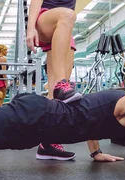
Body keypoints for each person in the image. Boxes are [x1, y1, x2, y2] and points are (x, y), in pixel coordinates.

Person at [26, 0, 83, 161]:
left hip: (64, 28)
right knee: (69, 14)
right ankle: (61, 83)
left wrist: (96, 152)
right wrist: (30, 29)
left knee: (57, 96)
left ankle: (48, 143)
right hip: (46, 18)